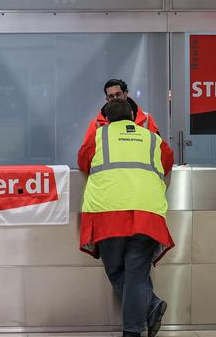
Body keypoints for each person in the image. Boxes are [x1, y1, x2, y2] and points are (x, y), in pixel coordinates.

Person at [78, 98, 174, 337]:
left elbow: (83, 161)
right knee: (136, 274)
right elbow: (168, 161)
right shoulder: (152, 138)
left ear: (106, 119)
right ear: (133, 116)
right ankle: (139, 320)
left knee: (117, 272)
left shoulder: (99, 136)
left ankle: (149, 309)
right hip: (147, 214)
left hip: (108, 212)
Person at [86, 79, 160, 138]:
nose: (115, 99)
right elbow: (86, 154)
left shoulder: (146, 119)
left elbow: (159, 148)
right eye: (111, 96)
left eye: (118, 94)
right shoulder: (97, 124)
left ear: (125, 94)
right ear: (107, 99)